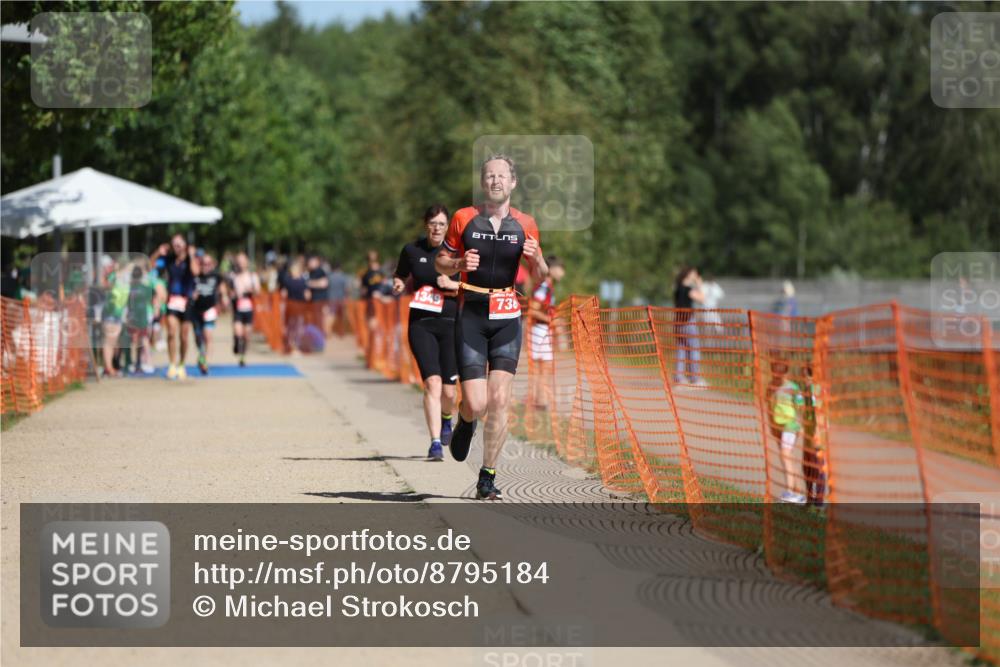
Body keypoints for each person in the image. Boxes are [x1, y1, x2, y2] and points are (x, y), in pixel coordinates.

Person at [435, 154, 548, 500]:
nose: (496, 181)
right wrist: (457, 262)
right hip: (471, 313)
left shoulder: (526, 224)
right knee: (477, 402)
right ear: (483, 183)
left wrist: (537, 260)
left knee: (500, 399)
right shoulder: (463, 218)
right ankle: (466, 420)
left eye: (502, 176)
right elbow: (440, 261)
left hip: (507, 316)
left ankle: (487, 477)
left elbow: (540, 278)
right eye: (489, 176)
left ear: (513, 183)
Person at [393, 204, 461, 461]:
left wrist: (452, 284)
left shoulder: (458, 254)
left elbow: (471, 285)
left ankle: (447, 419)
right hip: (421, 324)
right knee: (431, 383)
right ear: (426, 225)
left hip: (451, 324)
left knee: (449, 392)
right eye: (433, 223)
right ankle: (434, 443)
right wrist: (398, 283)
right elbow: (400, 275)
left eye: (442, 224)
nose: (437, 228)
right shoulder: (412, 250)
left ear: (447, 227)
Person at [151, 235, 200, 380]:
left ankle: (182, 364)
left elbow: (196, 272)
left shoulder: (190, 259)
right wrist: (158, 252)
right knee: (171, 332)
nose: (177, 246)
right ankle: (172, 364)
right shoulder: (169, 259)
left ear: (185, 245)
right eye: (174, 244)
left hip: (187, 301)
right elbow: (150, 264)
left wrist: (191, 256)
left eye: (179, 243)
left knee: (184, 336)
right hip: (173, 299)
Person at [528, 255, 565, 417]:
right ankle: (538, 401)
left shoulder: (549, 286)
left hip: (543, 330)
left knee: (545, 366)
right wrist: (551, 320)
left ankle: (541, 401)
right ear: (551, 269)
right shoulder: (544, 287)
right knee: (540, 366)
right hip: (539, 330)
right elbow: (532, 309)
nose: (563, 272)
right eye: (560, 268)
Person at [768, 361, 807, 504]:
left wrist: (801, 425)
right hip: (778, 425)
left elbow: (801, 407)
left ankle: (789, 492)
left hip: (791, 425)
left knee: (785, 454)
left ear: (786, 373)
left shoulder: (793, 388)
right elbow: (769, 406)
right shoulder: (771, 387)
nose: (778, 375)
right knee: (788, 457)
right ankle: (798, 492)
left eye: (781, 372)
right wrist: (771, 424)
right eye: (775, 372)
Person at [673, 266, 706, 387]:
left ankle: (679, 378)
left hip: (678, 321)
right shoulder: (688, 289)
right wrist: (699, 284)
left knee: (681, 349)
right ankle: (694, 378)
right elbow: (702, 299)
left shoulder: (677, 289)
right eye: (694, 273)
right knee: (694, 348)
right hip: (688, 321)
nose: (696, 275)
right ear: (689, 274)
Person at [192, 253, 223, 375]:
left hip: (210, 309)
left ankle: (205, 362)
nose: (206, 266)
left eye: (208, 264)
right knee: (198, 337)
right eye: (203, 264)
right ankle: (201, 352)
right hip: (196, 311)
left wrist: (223, 298)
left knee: (208, 336)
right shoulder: (195, 276)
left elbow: (222, 288)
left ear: (212, 265)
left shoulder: (216, 276)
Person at [229, 252, 261, 367]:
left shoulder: (253, 276)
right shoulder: (233, 276)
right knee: (238, 332)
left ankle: (243, 355)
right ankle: (236, 342)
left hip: (249, 308)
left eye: (243, 261)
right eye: (239, 261)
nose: (241, 264)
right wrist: (233, 295)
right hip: (238, 308)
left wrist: (249, 290)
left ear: (247, 262)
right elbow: (229, 291)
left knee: (246, 334)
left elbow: (258, 291)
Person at [126, 264, 155, 375]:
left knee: (135, 340)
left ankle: (136, 362)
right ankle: (141, 362)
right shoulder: (145, 287)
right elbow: (152, 298)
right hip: (141, 315)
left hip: (134, 316)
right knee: (142, 340)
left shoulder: (130, 287)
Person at [281, 257, 311, 355]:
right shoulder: (301, 281)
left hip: (294, 306)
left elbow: (283, 294)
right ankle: (293, 345)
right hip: (296, 307)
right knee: (295, 327)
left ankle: (293, 345)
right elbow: (307, 295)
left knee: (294, 327)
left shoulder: (289, 280)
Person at [327, 261, 349, 337]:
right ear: (340, 268)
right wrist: (346, 298)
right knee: (341, 316)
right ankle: (341, 332)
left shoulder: (329, 276)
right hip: (341, 299)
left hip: (331, 298)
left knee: (331, 315)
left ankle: (328, 331)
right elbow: (346, 289)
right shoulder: (343, 277)